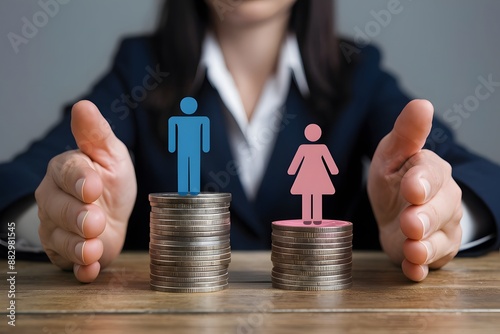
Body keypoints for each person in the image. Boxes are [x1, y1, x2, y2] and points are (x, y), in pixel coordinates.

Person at [0, 0, 499, 284]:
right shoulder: (139, 68)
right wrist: (58, 216)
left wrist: (437, 213)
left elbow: (479, 179)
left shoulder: (358, 74)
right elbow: (21, 181)